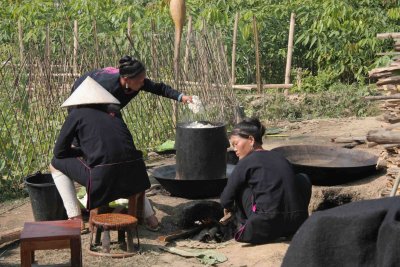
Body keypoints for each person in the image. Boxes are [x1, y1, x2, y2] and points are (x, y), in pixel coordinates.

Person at [69, 55, 193, 230]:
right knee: (103, 146)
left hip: (111, 108)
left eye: (144, 79)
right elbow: (78, 117)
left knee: (123, 152)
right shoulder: (105, 89)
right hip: (85, 95)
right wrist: (78, 144)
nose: (143, 83)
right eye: (140, 80)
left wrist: (181, 97)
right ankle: (76, 216)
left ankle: (145, 213)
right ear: (126, 80)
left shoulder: (136, 81)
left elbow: (158, 87)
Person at [50, 77, 151, 230]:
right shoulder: (114, 113)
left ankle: (75, 218)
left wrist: (81, 151)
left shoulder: (77, 114)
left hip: (105, 177)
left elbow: (59, 152)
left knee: (55, 163)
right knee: (126, 165)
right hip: (137, 175)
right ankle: (151, 218)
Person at [219, 118, 311, 244]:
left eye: (236, 144)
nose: (234, 149)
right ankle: (295, 219)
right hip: (297, 224)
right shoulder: (281, 157)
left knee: (241, 186)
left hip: (266, 226)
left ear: (251, 140)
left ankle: (244, 225)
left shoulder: (245, 162)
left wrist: (227, 207)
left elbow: (225, 199)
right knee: (302, 178)